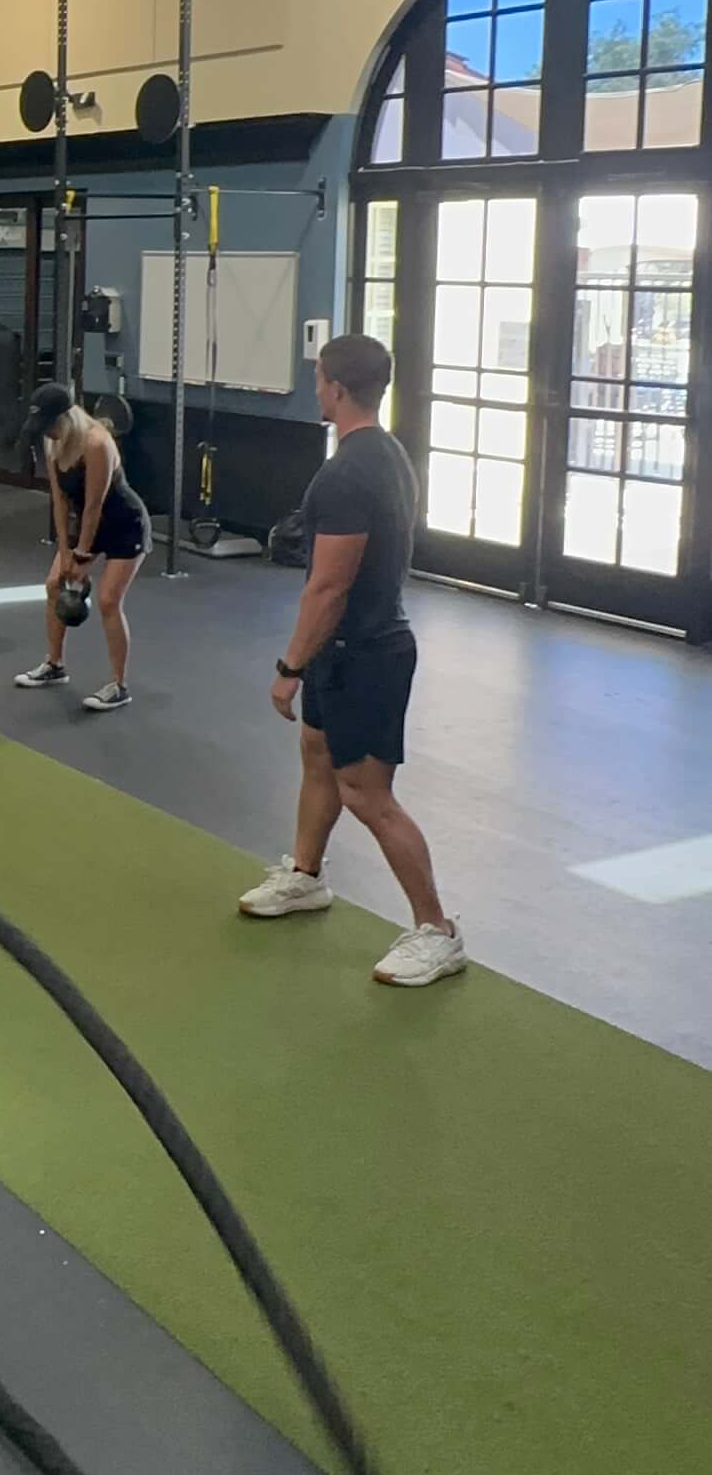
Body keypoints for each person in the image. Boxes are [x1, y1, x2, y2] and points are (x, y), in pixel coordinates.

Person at [238, 330, 465, 988]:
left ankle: (438, 932)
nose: (316, 388)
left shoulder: (344, 474)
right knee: (317, 757)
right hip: (345, 649)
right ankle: (306, 876)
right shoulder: (386, 453)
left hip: (366, 654)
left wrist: (289, 669)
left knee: (368, 794)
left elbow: (328, 587)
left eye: (318, 379)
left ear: (335, 388)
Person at [14, 380, 150, 713]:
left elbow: (93, 505)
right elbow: (60, 502)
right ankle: (55, 664)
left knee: (108, 600)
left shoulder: (96, 443)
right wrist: (65, 553)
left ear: (65, 417)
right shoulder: (53, 442)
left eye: (49, 425)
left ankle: (119, 685)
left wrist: (82, 556)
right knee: (54, 585)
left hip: (124, 524)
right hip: (88, 525)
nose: (47, 432)